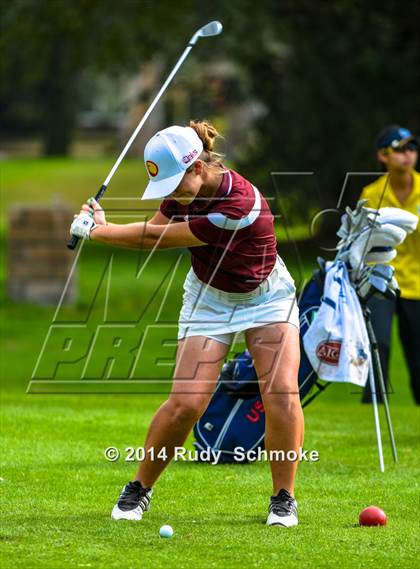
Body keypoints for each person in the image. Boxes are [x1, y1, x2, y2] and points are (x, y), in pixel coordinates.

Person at [70, 120, 304, 527]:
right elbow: (155, 229)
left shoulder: (240, 205)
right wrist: (104, 224)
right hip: (209, 298)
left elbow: (153, 241)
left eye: (177, 182)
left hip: (266, 298)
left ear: (198, 167)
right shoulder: (184, 193)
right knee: (186, 404)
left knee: (281, 392)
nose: (173, 193)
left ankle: (283, 498)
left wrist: (97, 232)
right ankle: (139, 488)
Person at [359, 125, 419, 404]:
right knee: (378, 343)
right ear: (383, 156)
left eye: (412, 148)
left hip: (417, 284)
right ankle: (372, 407)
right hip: (380, 279)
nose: (408, 155)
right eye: (399, 149)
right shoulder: (371, 194)